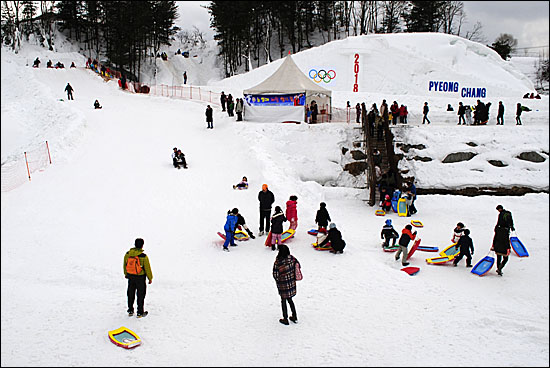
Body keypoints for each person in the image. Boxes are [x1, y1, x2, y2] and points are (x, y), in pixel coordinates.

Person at [123, 238, 153, 318]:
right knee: (140, 294)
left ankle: (130, 310)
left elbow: (125, 264)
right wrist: (150, 278)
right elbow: (147, 268)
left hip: (130, 276)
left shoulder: (128, 254)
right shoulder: (143, 256)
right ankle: (140, 312)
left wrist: (126, 274)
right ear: (142, 246)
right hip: (140, 277)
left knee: (130, 293)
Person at [272, 243, 300, 325]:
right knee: (290, 299)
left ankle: (285, 318)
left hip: (283, 284)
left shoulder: (278, 262)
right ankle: (294, 316)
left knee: (283, 300)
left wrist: (278, 280)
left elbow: (275, 274)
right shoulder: (292, 259)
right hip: (291, 283)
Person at [492, 205, 514, 276]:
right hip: (504, 245)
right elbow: (507, 241)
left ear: (499, 209)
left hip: (498, 246)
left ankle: (498, 268)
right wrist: (511, 227)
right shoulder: (508, 213)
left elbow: (494, 238)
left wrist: (493, 246)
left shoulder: (500, 215)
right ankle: (500, 268)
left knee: (499, 257)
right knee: (505, 259)